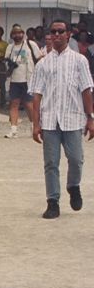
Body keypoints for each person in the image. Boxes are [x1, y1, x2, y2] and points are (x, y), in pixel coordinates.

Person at [30, 18, 94, 219]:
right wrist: (36, 123)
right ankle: (53, 201)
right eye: (53, 31)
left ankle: (73, 186)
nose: (57, 35)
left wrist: (90, 117)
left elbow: (86, 90)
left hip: (72, 118)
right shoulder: (43, 64)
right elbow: (37, 94)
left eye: (61, 31)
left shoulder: (79, 61)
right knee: (51, 162)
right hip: (50, 119)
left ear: (68, 34)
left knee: (76, 159)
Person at [4, 23, 43, 138]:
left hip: (27, 79)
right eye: (16, 33)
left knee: (28, 104)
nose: (18, 35)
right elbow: (6, 61)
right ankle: (13, 130)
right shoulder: (10, 48)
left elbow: (39, 58)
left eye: (20, 33)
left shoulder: (30, 45)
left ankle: (34, 125)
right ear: (12, 35)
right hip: (14, 79)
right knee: (14, 103)